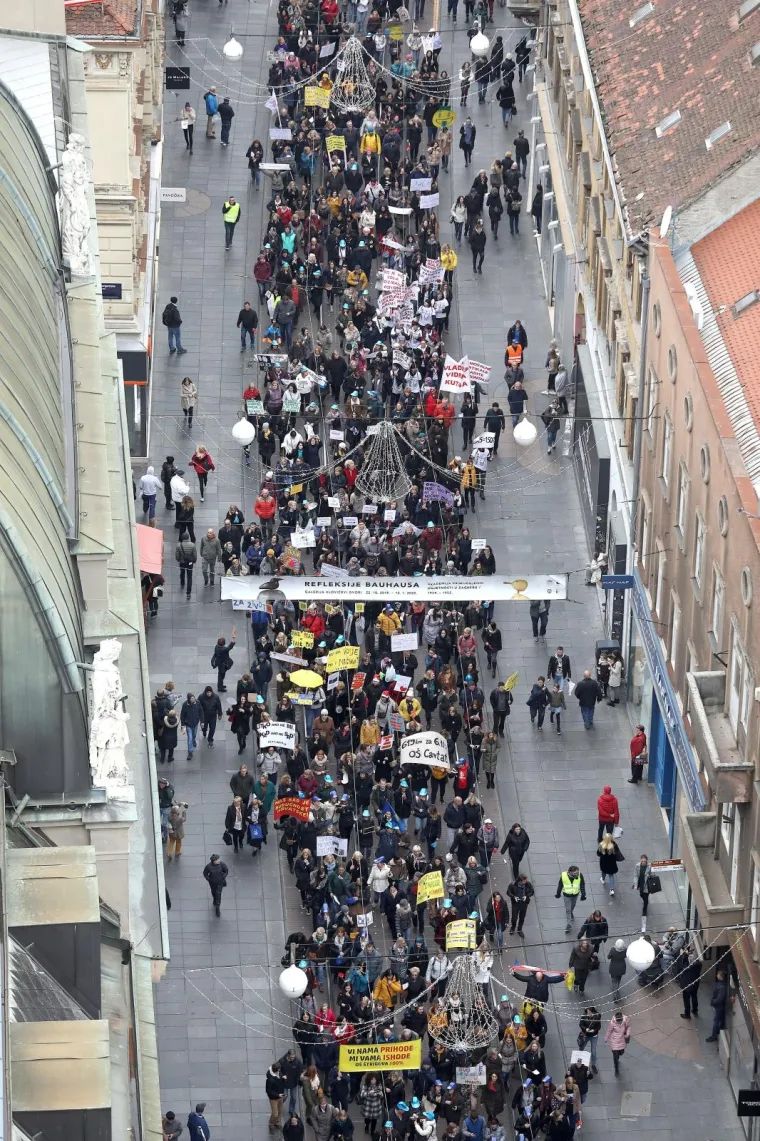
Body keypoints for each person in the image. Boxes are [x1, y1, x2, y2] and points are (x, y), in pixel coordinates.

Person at [555, 865, 585, 933]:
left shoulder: (580, 875)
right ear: (570, 872)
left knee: (572, 906)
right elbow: (560, 885)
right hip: (567, 895)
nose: (577, 874)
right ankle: (569, 925)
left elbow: (582, 884)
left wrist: (583, 894)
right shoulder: (563, 876)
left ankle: (571, 912)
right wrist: (558, 893)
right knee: (568, 909)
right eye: (575, 873)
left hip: (575, 894)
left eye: (577, 872)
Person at [604, 1010, 630, 1076]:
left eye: (620, 1021)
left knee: (621, 1053)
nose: (619, 1022)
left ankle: (617, 1057)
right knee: (615, 1055)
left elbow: (628, 1027)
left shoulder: (626, 1020)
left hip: (622, 1039)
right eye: (617, 1021)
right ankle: (616, 1069)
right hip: (614, 1040)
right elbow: (609, 1031)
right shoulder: (612, 1023)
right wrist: (606, 1038)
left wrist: (627, 1034)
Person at [597, 832, 624, 897]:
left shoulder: (602, 845)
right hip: (611, 862)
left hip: (604, 862)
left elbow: (598, 853)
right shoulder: (614, 845)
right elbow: (617, 852)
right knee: (611, 875)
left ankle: (603, 879)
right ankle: (612, 889)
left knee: (603, 871)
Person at [678, 949, 701, 1020]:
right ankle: (695, 1010)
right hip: (695, 984)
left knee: (686, 999)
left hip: (687, 985)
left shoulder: (688, 967)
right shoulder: (699, 964)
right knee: (694, 997)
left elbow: (680, 965)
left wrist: (682, 955)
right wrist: (687, 955)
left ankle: (687, 1014)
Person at [632, 853, 653, 931]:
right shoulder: (637, 866)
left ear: (646, 861)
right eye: (642, 861)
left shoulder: (649, 866)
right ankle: (645, 902)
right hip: (640, 884)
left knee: (646, 897)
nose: (643, 862)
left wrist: (649, 875)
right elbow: (636, 875)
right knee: (641, 895)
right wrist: (635, 884)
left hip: (647, 885)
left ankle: (645, 908)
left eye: (644, 861)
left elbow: (652, 874)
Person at [212, 627, 236, 691]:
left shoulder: (217, 647)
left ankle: (221, 685)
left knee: (221, 674)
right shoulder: (224, 650)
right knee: (221, 675)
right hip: (222, 664)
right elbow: (230, 646)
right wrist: (233, 636)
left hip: (220, 662)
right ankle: (220, 687)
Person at [579, 1006, 600, 1073]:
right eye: (588, 1012)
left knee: (593, 1051)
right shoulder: (584, 1016)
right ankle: (579, 1062)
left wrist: (594, 1030)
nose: (589, 1014)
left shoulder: (596, 1017)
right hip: (586, 1035)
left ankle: (593, 1065)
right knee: (581, 1047)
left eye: (590, 1012)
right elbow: (581, 1024)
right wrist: (585, 1029)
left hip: (594, 1036)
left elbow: (599, 1026)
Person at [175, 533, 197, 599]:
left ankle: (182, 582)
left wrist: (179, 560)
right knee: (189, 577)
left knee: (182, 572)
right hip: (189, 563)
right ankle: (188, 593)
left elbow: (177, 556)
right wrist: (193, 561)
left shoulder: (179, 545)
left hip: (182, 562)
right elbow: (195, 556)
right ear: (188, 537)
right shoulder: (192, 545)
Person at [180, 692, 201, 759]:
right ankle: (190, 752)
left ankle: (194, 740)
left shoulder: (197, 703)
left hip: (195, 723)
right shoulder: (185, 705)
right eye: (191, 698)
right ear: (189, 699)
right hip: (188, 724)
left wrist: (202, 721)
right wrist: (183, 725)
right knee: (190, 738)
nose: (193, 699)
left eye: (193, 698)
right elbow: (182, 715)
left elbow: (201, 712)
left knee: (194, 735)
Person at [266, 1061, 287, 1129]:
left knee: (280, 1110)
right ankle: (271, 1123)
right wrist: (278, 1095)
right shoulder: (270, 1080)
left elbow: (281, 1084)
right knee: (275, 1113)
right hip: (274, 1098)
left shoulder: (279, 1074)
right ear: (277, 1069)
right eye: (279, 1069)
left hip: (280, 1095)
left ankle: (277, 1122)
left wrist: (283, 1079)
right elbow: (268, 1091)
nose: (280, 1070)